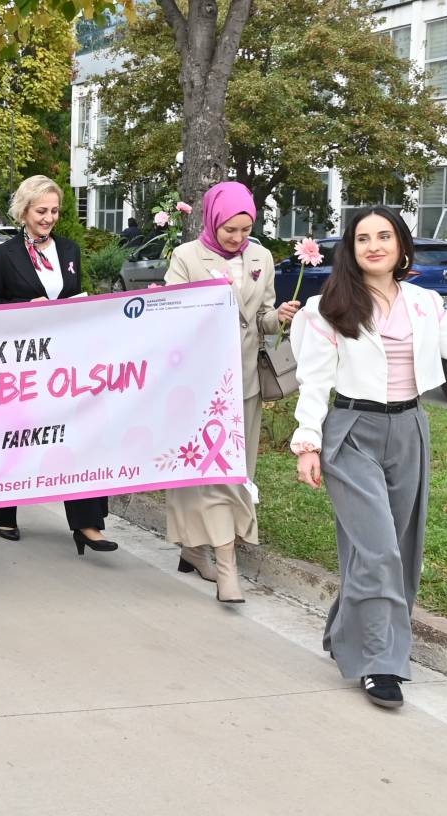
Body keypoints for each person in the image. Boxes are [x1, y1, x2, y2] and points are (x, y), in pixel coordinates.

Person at [292, 206, 447, 710]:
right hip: (351, 431)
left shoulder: (425, 303)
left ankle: (345, 631)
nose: (374, 246)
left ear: (401, 245)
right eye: (363, 238)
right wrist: (308, 442)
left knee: (396, 549)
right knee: (377, 550)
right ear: (351, 249)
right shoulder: (327, 307)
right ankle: (379, 662)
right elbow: (314, 382)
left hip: (409, 429)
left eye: (384, 236)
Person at [163, 182, 300, 603]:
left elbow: (261, 318)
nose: (238, 239)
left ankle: (196, 550)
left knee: (236, 472)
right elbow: (171, 315)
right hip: (199, 384)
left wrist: (278, 317)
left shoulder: (261, 258)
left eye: (246, 230)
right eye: (230, 230)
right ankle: (225, 566)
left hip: (245, 384)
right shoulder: (186, 257)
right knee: (203, 472)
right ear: (212, 221)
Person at [0, 175, 106, 551]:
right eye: (41, 211)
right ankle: (5, 510)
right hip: (21, 361)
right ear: (24, 211)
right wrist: (25, 307)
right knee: (18, 435)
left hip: (65, 359)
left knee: (77, 431)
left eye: (54, 211)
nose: (49, 218)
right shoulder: (2, 256)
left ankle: (87, 523)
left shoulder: (69, 250)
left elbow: (75, 294)